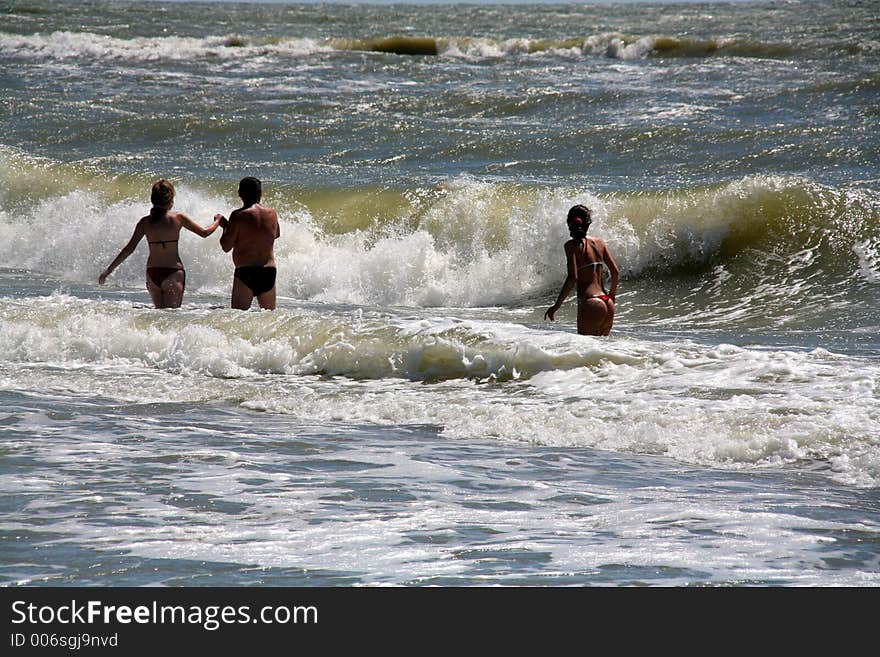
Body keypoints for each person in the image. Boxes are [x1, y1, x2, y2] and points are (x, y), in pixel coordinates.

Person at [99, 179, 221, 308]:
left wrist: (108, 270)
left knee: (160, 317)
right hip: (173, 272)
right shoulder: (178, 218)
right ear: (170, 199)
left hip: (152, 273)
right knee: (171, 318)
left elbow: (129, 249)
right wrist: (217, 221)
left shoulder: (144, 222)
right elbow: (204, 233)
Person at [544, 205, 619, 336]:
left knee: (587, 350)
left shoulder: (571, 246)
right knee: (602, 352)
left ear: (570, 223)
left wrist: (556, 306)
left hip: (591, 302)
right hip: (607, 302)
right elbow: (615, 272)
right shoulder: (600, 243)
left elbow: (573, 277)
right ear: (587, 223)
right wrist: (611, 296)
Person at [216, 177, 280, 310]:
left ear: (240, 193)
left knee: (238, 319)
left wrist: (224, 226)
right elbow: (276, 234)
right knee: (270, 321)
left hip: (246, 272)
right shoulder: (272, 214)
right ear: (260, 193)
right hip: (268, 271)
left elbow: (226, 246)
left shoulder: (238, 215)